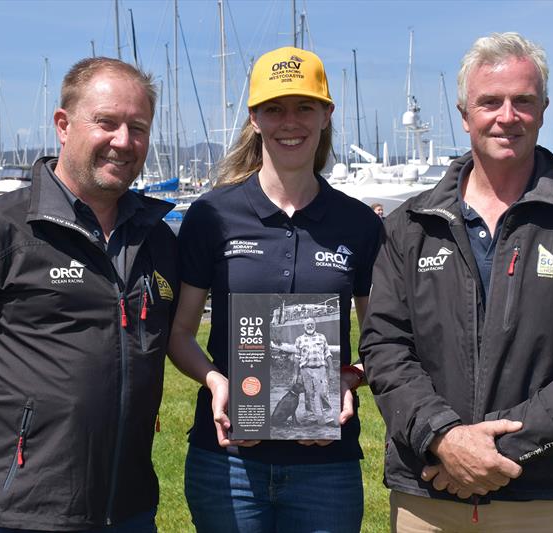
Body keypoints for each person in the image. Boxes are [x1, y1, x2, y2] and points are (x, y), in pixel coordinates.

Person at [360, 32, 553, 533]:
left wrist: (496, 451)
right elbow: (385, 348)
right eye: (490, 101)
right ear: (464, 113)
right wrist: (444, 439)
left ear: (544, 110)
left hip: (540, 499)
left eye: (523, 101)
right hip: (427, 496)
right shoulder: (410, 227)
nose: (507, 116)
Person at [0, 57, 178, 532]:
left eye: (138, 128)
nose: (123, 141)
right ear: (63, 125)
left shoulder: (157, 239)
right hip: (19, 516)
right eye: (106, 122)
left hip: (130, 511)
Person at [167, 46, 383, 532]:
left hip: (327, 467)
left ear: (326, 114)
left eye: (304, 107)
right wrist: (215, 382)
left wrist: (350, 379)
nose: (290, 122)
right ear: (254, 118)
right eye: (274, 109)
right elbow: (179, 334)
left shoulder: (358, 224)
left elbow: (382, 341)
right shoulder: (211, 215)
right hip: (227, 462)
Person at [292, 317, 335, 426]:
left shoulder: (321, 337)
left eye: (312, 324)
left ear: (315, 325)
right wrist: (295, 374)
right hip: (305, 370)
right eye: (308, 324)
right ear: (304, 326)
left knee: (323, 393)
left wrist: (331, 369)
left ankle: (329, 419)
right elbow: (297, 358)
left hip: (320, 369)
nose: (310, 326)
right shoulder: (299, 339)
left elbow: (327, 353)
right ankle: (311, 418)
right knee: (308, 394)